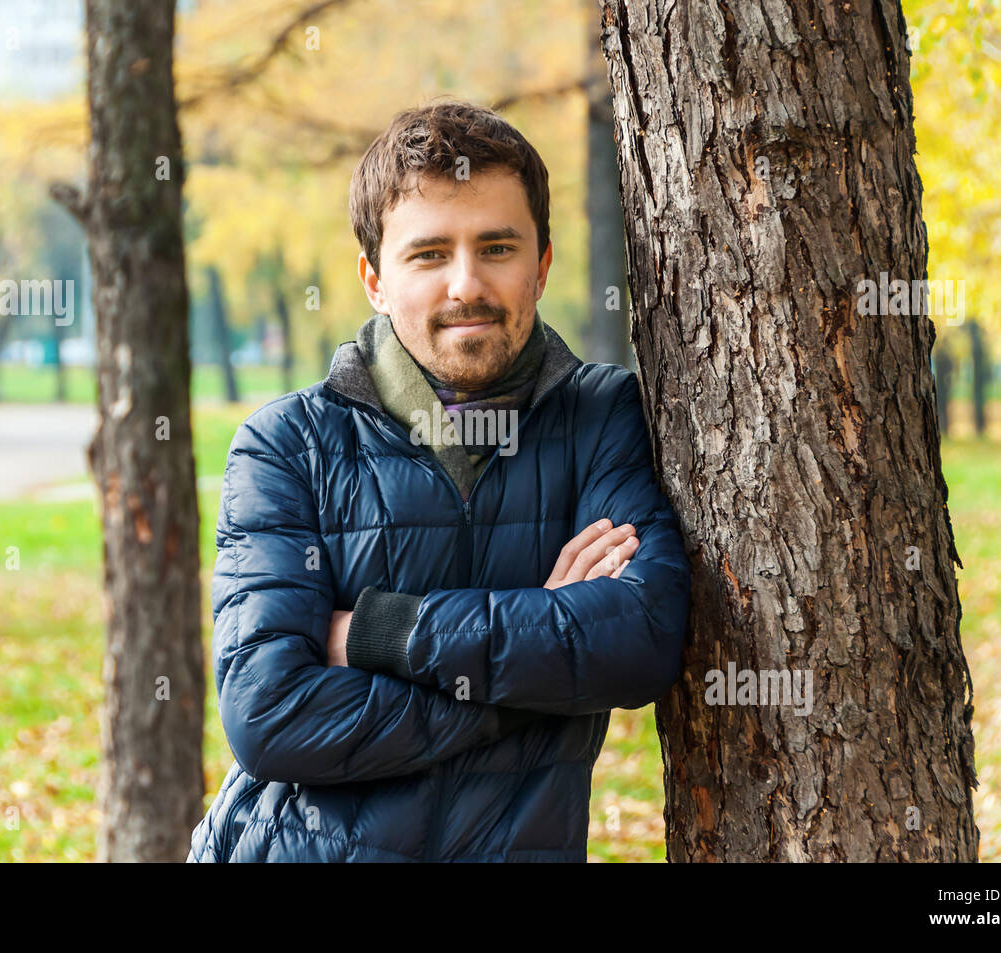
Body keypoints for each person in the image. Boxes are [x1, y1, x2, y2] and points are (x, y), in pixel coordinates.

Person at [187, 98, 691, 862]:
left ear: (543, 263)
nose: (466, 284)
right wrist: (540, 661)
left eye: (497, 247)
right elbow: (270, 715)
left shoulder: (599, 417)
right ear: (374, 280)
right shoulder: (288, 445)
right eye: (429, 254)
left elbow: (640, 639)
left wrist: (379, 632)